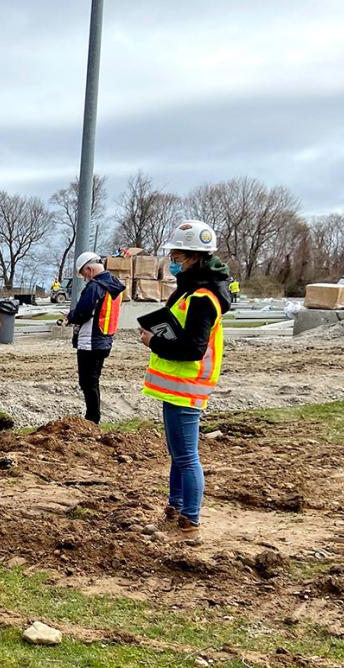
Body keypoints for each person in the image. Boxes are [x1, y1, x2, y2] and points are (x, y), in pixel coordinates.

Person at [140, 220, 231, 540]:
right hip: (179, 387)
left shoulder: (202, 297)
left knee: (186, 457)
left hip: (187, 386)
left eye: (177, 255)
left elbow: (193, 349)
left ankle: (189, 522)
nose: (173, 261)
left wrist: (153, 342)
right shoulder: (192, 290)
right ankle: (175, 510)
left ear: (194, 257)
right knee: (180, 455)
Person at [65, 252, 125, 424]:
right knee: (93, 381)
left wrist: (71, 316)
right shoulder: (114, 285)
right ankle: (93, 417)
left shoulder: (95, 287)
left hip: (90, 341)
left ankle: (92, 419)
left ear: (90, 270)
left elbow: (83, 312)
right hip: (104, 339)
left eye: (84, 275)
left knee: (87, 382)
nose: (85, 279)